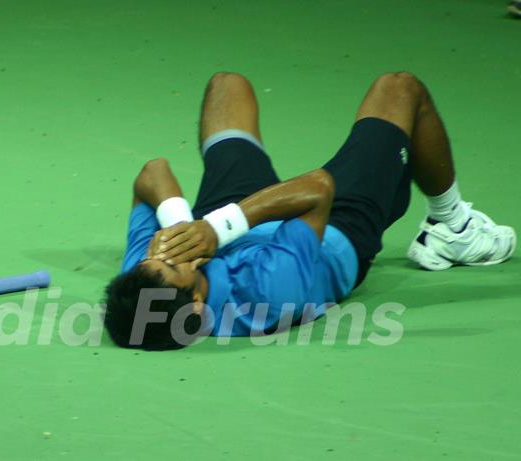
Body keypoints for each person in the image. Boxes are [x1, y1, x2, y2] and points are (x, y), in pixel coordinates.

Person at [103, 71, 516, 351]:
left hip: (229, 228)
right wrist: (215, 228)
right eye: (171, 263)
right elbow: (318, 190)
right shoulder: (268, 294)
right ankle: (455, 229)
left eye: (153, 257)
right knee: (400, 89)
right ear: (196, 302)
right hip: (331, 230)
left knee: (227, 86)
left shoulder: (144, 279)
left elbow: (152, 173)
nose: (162, 252)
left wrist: (180, 225)